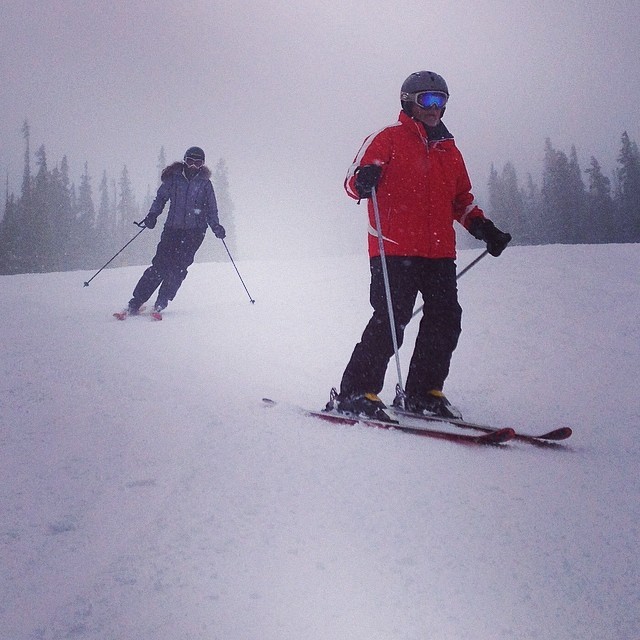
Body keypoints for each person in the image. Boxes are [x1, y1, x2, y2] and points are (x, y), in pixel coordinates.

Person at [330, 71, 511, 421]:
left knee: (445, 319)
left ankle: (423, 392)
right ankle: (356, 392)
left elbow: (461, 200)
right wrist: (364, 179)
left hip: (440, 252)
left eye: (441, 100)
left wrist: (484, 228)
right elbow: (353, 182)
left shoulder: (449, 149)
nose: (434, 107)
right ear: (408, 101)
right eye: (427, 99)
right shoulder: (388, 138)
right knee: (391, 320)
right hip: (394, 249)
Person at [124, 146, 226, 315]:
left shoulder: (205, 184)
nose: (193, 166)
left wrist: (216, 226)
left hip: (195, 232)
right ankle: (137, 301)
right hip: (172, 229)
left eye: (198, 162)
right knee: (160, 265)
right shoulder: (174, 179)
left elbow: (211, 209)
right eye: (190, 161)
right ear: (185, 160)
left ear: (202, 164)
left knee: (178, 268)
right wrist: (152, 215)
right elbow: (161, 198)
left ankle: (162, 301)